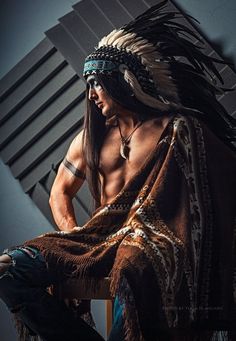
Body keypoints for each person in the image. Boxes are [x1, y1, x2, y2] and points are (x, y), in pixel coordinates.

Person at [0, 1, 236, 340]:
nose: (92, 94)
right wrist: (70, 236)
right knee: (9, 269)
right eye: (89, 84)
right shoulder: (89, 140)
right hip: (94, 241)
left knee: (133, 264)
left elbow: (225, 180)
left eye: (99, 82)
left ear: (126, 82)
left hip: (149, 249)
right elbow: (60, 192)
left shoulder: (176, 129)